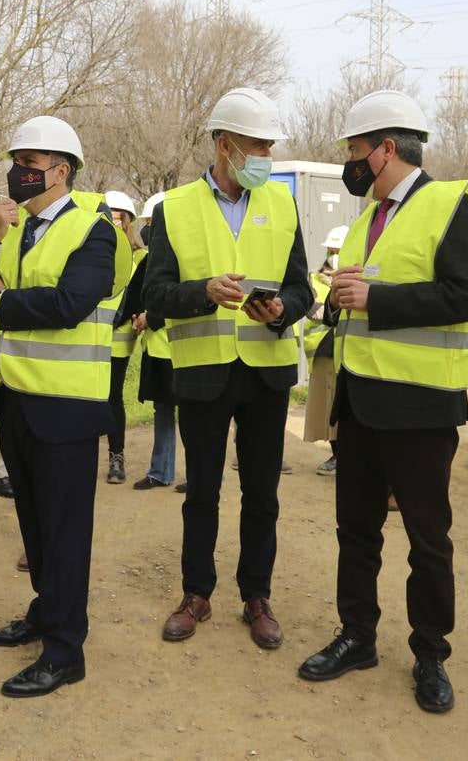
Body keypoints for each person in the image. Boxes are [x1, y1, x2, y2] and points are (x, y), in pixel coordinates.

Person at [297, 90, 468, 715]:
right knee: (356, 531)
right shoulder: (364, 219)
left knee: (427, 539)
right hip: (358, 403)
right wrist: (334, 300)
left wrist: (373, 301)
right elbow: (350, 297)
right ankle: (357, 636)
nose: (351, 162)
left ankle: (430, 654)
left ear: (385, 148)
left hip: (420, 407)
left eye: (355, 150)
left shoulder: (453, 203)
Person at [0, 115, 127, 698]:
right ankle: (45, 609)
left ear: (63, 171)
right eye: (17, 163)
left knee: (64, 532)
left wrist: (5, 300)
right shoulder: (12, 230)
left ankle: (64, 649)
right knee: (33, 525)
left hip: (67, 408)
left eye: (32, 164)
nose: (19, 173)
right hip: (17, 402)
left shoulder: (93, 230)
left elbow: (71, 303)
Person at [145, 87, 313, 651]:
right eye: (256, 144)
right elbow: (156, 293)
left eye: (269, 144)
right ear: (224, 144)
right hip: (204, 372)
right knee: (203, 493)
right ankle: (197, 594)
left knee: (262, 493)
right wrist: (203, 291)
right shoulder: (173, 207)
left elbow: (301, 290)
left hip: (265, 371)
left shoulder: (284, 205)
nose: (265, 154)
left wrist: (282, 309)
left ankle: (256, 596)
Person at [130, 192, 181, 492]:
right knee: (162, 411)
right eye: (148, 222)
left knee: (189, 415)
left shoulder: (183, 256)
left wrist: (152, 318)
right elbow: (140, 294)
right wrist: (140, 315)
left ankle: (199, 474)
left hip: (180, 348)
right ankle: (161, 471)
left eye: (154, 222)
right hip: (156, 348)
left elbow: (181, 301)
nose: (150, 227)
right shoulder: (149, 260)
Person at [104, 190, 146, 484]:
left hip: (119, 338)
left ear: (129, 221)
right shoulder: (93, 247)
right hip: (89, 336)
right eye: (110, 218)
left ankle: (116, 456)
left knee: (112, 396)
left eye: (120, 219)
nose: (115, 223)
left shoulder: (141, 257)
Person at [304, 225, 346, 477]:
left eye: (338, 250)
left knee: (342, 409)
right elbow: (311, 310)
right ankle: (335, 453)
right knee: (326, 409)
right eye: (332, 250)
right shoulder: (314, 280)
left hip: (345, 352)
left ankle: (345, 456)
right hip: (321, 351)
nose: (334, 254)